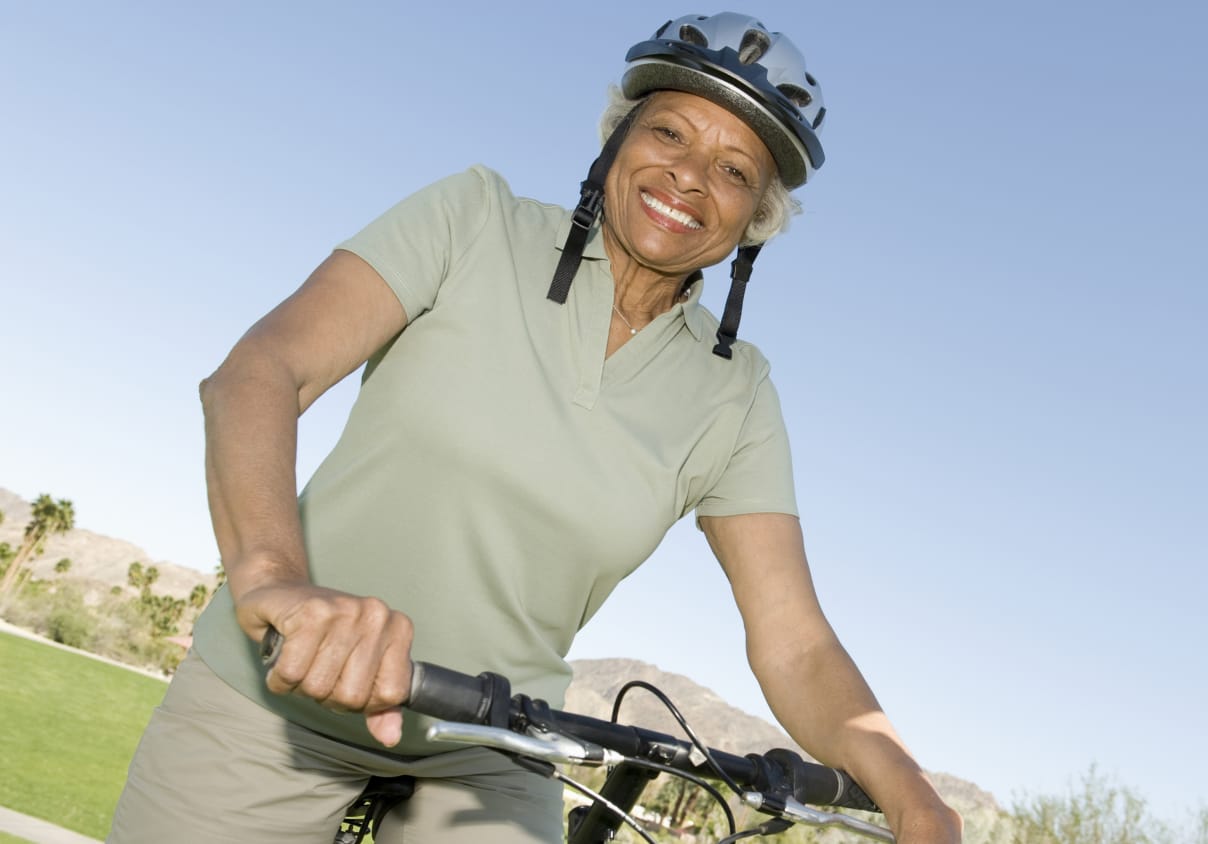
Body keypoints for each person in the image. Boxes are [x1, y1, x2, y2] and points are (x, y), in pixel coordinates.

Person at [109, 12, 961, 844]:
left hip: (492, 744)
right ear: (616, 141)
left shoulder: (737, 394)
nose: (692, 176)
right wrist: (274, 579)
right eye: (669, 133)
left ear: (757, 220)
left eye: (736, 171)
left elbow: (795, 638)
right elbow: (260, 373)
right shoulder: (473, 219)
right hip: (275, 697)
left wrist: (913, 793)